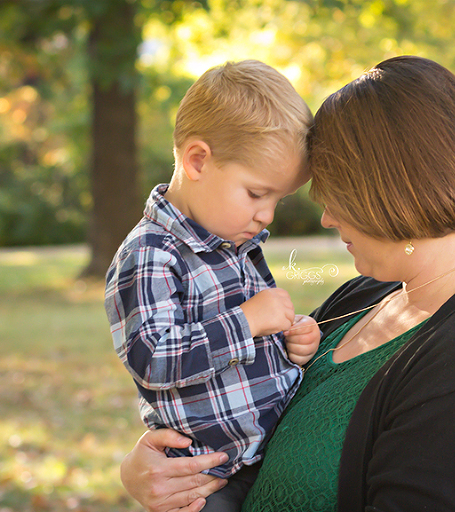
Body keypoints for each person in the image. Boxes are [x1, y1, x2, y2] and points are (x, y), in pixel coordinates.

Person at [118, 55, 455, 512]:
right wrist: (159, 473)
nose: (326, 217)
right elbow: (255, 423)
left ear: (389, 190)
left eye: (336, 195)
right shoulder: (371, 295)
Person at [104, 60, 321, 511]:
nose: (267, 216)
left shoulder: (237, 243)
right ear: (198, 160)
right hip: (207, 478)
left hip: (270, 453)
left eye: (278, 199)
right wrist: (247, 321)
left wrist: (291, 338)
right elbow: (154, 360)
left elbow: (258, 335)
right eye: (257, 194)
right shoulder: (150, 255)